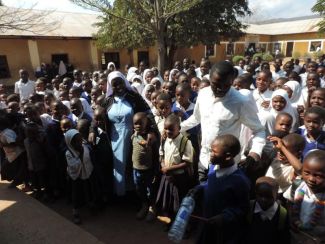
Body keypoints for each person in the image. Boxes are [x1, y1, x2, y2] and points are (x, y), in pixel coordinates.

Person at [181, 61, 265, 182]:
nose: (220, 89)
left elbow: (259, 130)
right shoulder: (203, 94)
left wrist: (255, 153)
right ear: (209, 78)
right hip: (204, 161)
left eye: (226, 85)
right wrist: (180, 127)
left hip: (226, 168)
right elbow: (197, 118)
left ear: (232, 82)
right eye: (216, 84)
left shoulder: (241, 102)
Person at [89, 71, 157, 197]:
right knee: (117, 165)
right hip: (113, 138)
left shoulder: (133, 96)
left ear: (124, 82)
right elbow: (96, 116)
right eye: (114, 85)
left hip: (133, 137)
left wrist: (151, 130)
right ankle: (119, 193)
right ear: (110, 86)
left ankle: (133, 194)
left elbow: (148, 112)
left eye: (120, 83)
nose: (118, 87)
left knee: (132, 165)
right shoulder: (107, 99)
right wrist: (92, 130)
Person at [193, 135, 250, 244]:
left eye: (214, 152)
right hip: (207, 223)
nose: (210, 155)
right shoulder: (214, 168)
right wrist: (199, 188)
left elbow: (243, 208)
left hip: (224, 232)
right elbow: (210, 184)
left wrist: (224, 217)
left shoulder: (240, 181)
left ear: (228, 156)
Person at [155, 114, 193, 224]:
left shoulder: (185, 142)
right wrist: (164, 167)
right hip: (167, 177)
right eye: (166, 129)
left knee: (179, 201)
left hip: (179, 178)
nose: (167, 132)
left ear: (179, 129)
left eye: (171, 129)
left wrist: (170, 169)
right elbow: (161, 155)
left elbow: (187, 162)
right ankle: (170, 221)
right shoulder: (165, 140)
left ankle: (183, 225)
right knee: (167, 201)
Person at [284, 150, 325, 242]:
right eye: (306, 173)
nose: (311, 179)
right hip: (296, 235)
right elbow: (289, 202)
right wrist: (292, 219)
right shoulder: (298, 186)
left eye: (318, 176)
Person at [245, 177, 290, 244]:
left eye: (268, 197)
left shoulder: (282, 215)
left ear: (277, 196)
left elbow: (284, 238)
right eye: (260, 195)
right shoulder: (249, 207)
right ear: (255, 193)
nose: (263, 200)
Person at [131, 112, 159, 220]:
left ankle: (152, 207)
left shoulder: (151, 138)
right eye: (135, 123)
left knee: (150, 189)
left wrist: (156, 170)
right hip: (136, 169)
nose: (138, 126)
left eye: (140, 123)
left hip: (148, 170)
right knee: (139, 188)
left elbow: (156, 154)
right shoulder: (134, 135)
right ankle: (144, 205)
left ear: (147, 123)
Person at [64, 129, 94, 224]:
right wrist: (80, 155)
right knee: (76, 193)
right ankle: (75, 211)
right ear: (69, 142)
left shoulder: (85, 148)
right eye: (75, 142)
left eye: (80, 140)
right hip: (76, 177)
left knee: (87, 190)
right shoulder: (69, 153)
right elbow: (73, 166)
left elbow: (88, 160)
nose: (79, 143)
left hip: (86, 174)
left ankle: (89, 204)